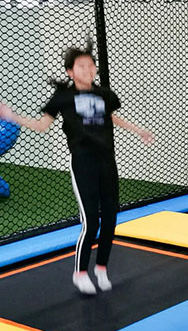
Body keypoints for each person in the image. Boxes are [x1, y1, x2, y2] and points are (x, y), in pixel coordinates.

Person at [0, 42, 154, 295]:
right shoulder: (63, 97)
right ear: (70, 71)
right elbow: (41, 125)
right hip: (83, 164)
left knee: (111, 221)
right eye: (81, 66)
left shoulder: (104, 94)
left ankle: (101, 268)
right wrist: (12, 117)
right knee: (91, 222)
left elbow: (110, 116)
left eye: (91, 66)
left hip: (108, 163)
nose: (88, 70)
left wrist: (138, 130)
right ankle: (81, 272)